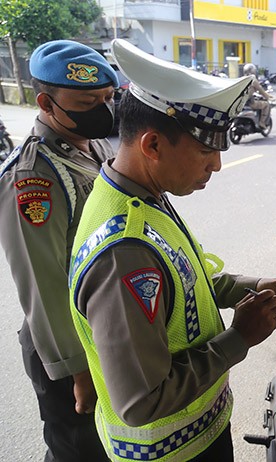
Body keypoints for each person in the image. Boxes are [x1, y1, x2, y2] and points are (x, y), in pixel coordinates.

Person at [67, 39, 276, 461]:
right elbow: (141, 402)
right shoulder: (124, 254)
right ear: (152, 145)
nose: (217, 165)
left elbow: (186, 279)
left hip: (200, 436)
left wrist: (251, 285)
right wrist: (239, 338)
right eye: (206, 150)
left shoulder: (141, 194)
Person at [0, 39, 119, 461]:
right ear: (46, 103)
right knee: (79, 449)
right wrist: (76, 370)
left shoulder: (96, 146)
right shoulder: (33, 176)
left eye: (107, 98)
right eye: (87, 102)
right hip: (67, 346)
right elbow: (43, 282)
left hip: (103, 332)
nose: (103, 110)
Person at [242, 62, 274, 133]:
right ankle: (262, 122)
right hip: (250, 103)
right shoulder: (253, 79)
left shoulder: (242, 79)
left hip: (241, 103)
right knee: (266, 105)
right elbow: (261, 90)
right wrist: (268, 97)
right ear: (253, 71)